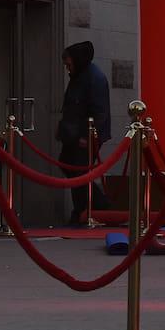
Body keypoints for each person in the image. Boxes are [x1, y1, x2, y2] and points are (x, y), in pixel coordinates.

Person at [57, 41, 110, 225]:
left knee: (79, 173)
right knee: (70, 167)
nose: (67, 68)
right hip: (74, 134)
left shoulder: (94, 78)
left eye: (68, 64)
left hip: (84, 136)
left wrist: (87, 137)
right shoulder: (79, 75)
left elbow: (100, 112)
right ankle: (84, 208)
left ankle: (93, 208)